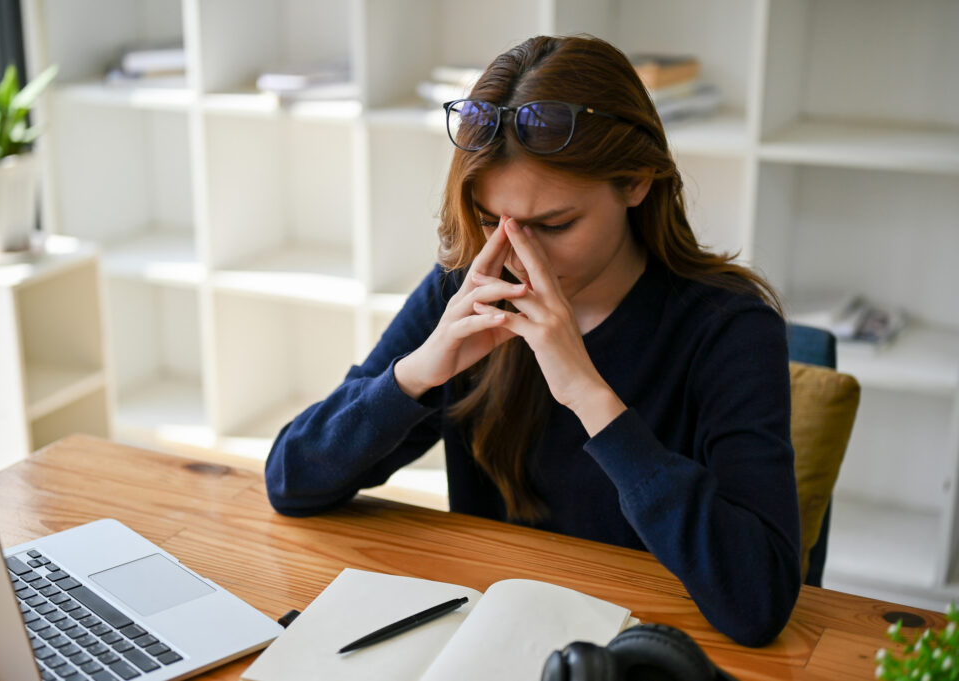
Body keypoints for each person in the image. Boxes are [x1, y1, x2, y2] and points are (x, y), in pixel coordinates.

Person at [265, 35, 800, 647]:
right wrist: (415, 375)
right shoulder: (467, 291)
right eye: (495, 222)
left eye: (555, 225)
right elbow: (291, 481)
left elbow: (758, 600)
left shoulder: (730, 328)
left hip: (640, 647)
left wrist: (590, 396)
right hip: (493, 638)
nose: (521, 256)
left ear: (637, 182)